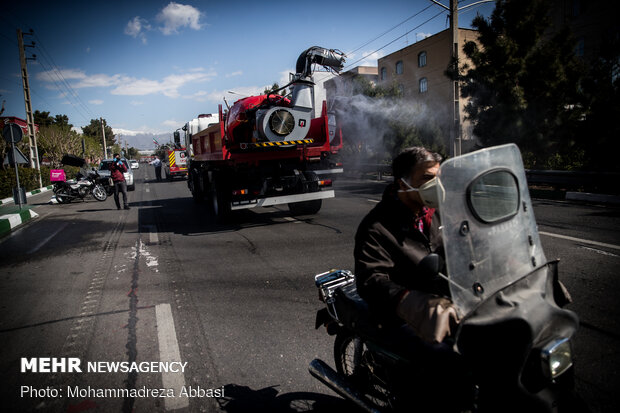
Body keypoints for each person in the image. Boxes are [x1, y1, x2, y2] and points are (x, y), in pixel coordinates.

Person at [354, 146, 458, 345]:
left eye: (439, 177)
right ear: (403, 184)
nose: (437, 185)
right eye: (428, 178)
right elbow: (371, 280)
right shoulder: (376, 227)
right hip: (401, 319)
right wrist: (411, 302)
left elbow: (464, 243)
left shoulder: (440, 212)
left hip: (448, 306)